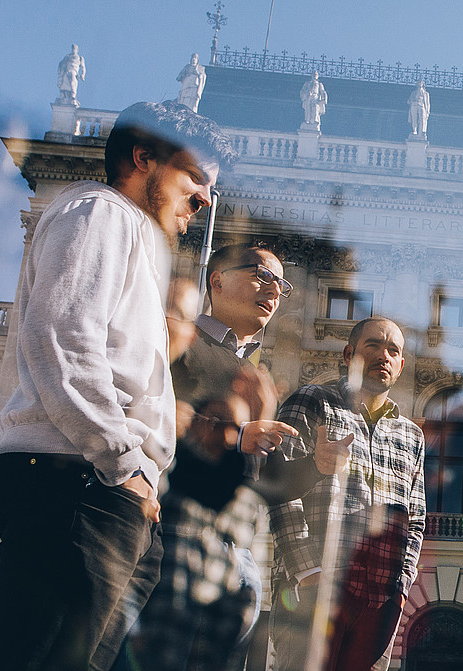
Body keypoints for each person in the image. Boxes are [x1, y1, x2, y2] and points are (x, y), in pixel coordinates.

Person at [0, 100, 235, 671]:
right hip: (78, 481)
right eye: (196, 177)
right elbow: (65, 344)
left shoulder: (132, 237)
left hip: (101, 486)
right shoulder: (101, 213)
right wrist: (126, 463)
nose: (205, 199)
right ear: (143, 158)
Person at [127, 242, 348, 671]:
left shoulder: (257, 372)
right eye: (262, 275)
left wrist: (316, 465)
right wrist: (239, 432)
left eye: (281, 284)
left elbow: (265, 482)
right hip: (176, 537)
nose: (274, 290)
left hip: (242, 554)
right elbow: (148, 421)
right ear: (218, 280)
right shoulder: (180, 343)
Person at [265, 316, 425, 671]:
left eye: (393, 350)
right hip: (315, 590)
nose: (383, 355)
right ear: (348, 353)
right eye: (373, 345)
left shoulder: (411, 436)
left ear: (400, 366)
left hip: (380, 602)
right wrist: (308, 573)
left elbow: (415, 518)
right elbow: (280, 488)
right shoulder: (312, 401)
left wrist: (400, 587)